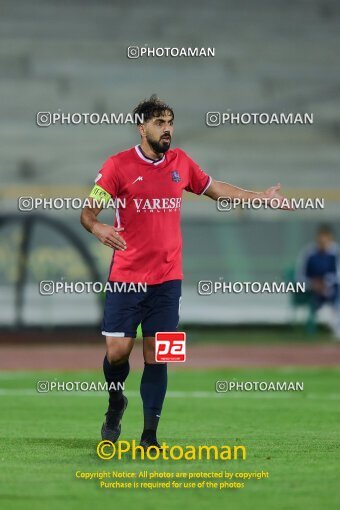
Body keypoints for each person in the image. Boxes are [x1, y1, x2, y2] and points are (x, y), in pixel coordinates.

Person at [80, 95, 290, 449]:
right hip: (127, 279)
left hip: (167, 279)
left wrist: (260, 197)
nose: (167, 129)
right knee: (117, 352)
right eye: (160, 123)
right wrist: (97, 227)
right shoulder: (117, 166)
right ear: (141, 127)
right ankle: (116, 403)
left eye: (170, 122)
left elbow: (215, 188)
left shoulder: (181, 163)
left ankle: (149, 435)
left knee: (158, 353)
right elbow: (88, 212)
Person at [296, 225, 340, 339]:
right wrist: (312, 284)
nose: (323, 241)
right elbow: (300, 276)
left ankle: (336, 323)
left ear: (331, 238)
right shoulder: (309, 253)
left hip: (332, 289)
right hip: (311, 290)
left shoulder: (336, 253)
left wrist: (327, 282)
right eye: (321, 237)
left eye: (326, 238)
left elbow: (337, 275)